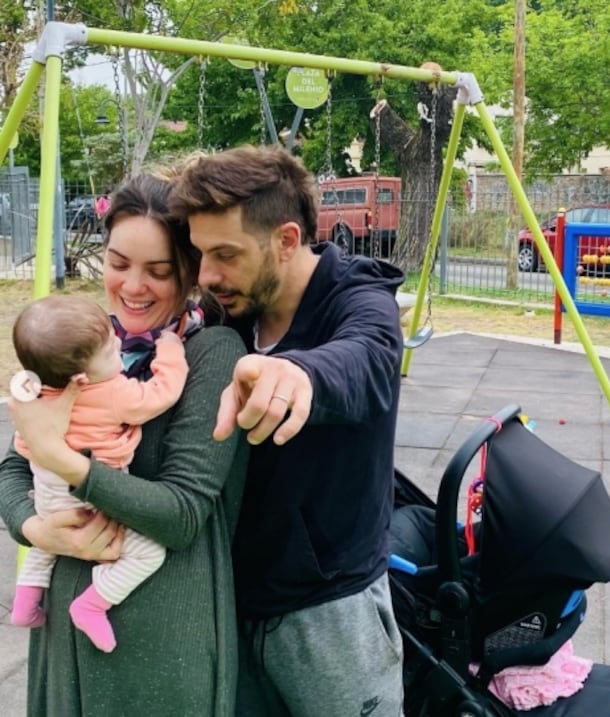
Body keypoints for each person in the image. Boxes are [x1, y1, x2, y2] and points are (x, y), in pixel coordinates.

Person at [168, 144, 406, 717]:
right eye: (201, 254)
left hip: (328, 611)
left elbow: (368, 360)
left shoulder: (358, 299)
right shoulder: (231, 308)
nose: (207, 276)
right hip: (231, 598)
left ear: (288, 240)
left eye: (225, 254)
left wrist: (298, 371)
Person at [0, 173, 249, 716]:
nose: (133, 286)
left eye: (158, 272)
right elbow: (12, 468)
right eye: (117, 264)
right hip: (65, 622)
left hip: (158, 636)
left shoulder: (208, 355)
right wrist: (32, 525)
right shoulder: (78, 347)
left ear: (188, 273)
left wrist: (63, 461)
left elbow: (182, 515)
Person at [10, 295, 188, 654]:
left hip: (45, 489)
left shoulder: (39, 397)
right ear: (79, 377)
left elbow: (22, 444)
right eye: (110, 352)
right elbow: (162, 393)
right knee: (147, 553)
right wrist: (170, 349)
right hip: (93, 494)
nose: (120, 345)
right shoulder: (111, 393)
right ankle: (93, 603)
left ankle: (25, 602)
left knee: (48, 541)